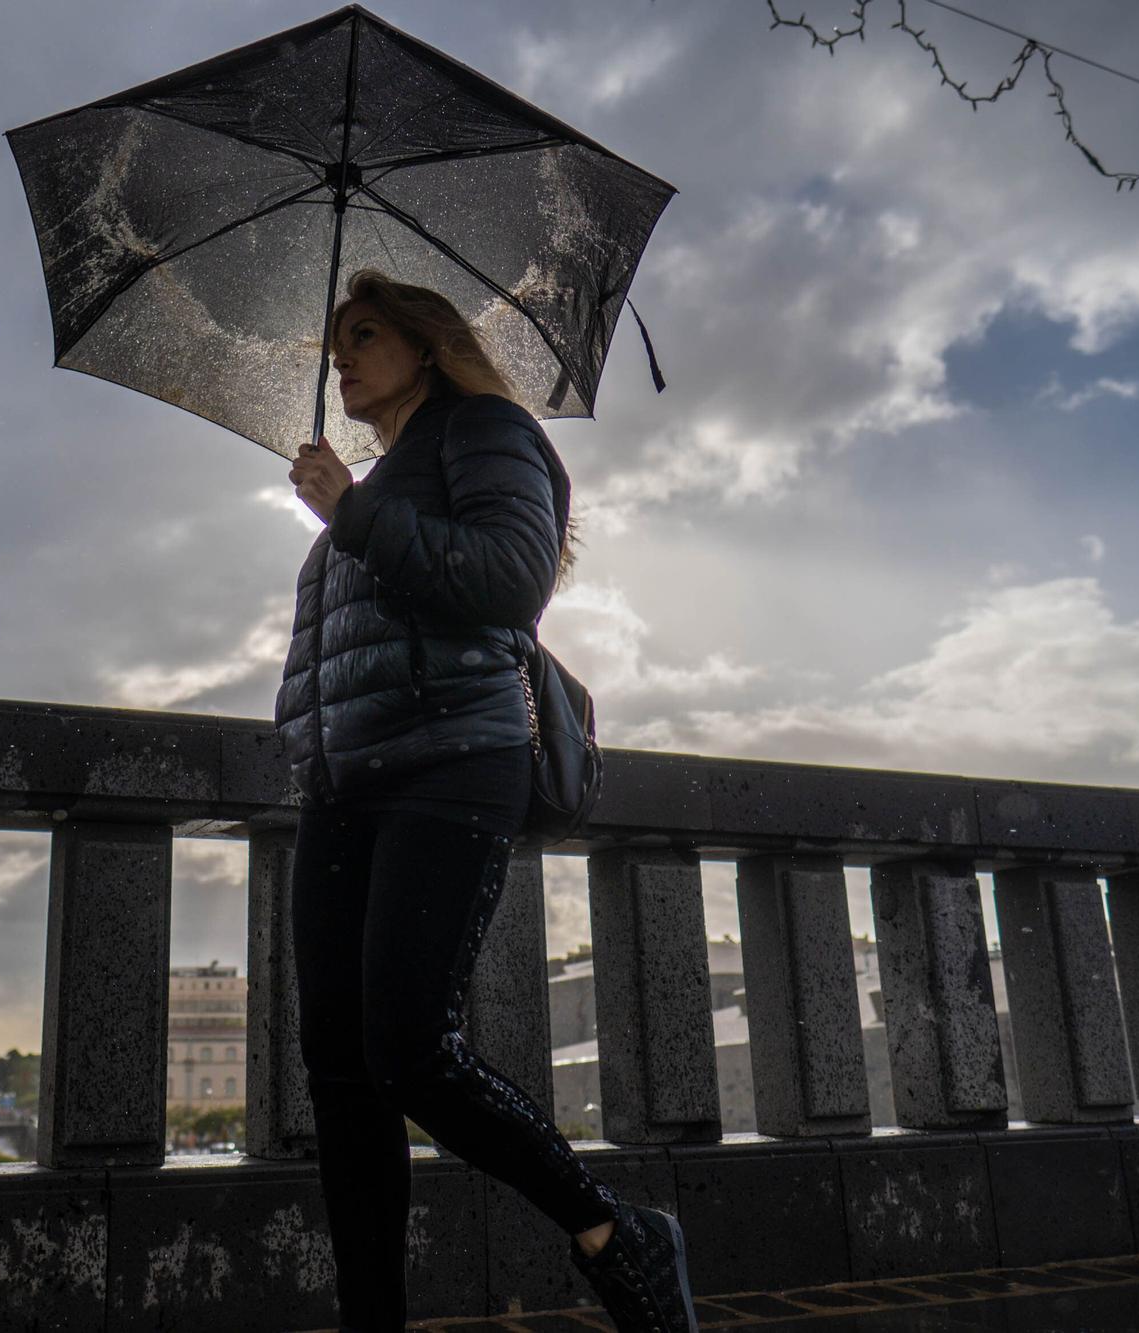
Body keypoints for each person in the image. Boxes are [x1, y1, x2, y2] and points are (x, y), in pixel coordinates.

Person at [276, 269, 697, 1333]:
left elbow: (512, 578)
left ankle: (614, 1230)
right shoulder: (361, 497)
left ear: (423, 345)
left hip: (450, 762)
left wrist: (355, 514)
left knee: (409, 1046)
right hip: (342, 788)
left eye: (363, 333)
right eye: (337, 340)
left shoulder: (484, 431)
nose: (343, 355)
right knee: (339, 1070)